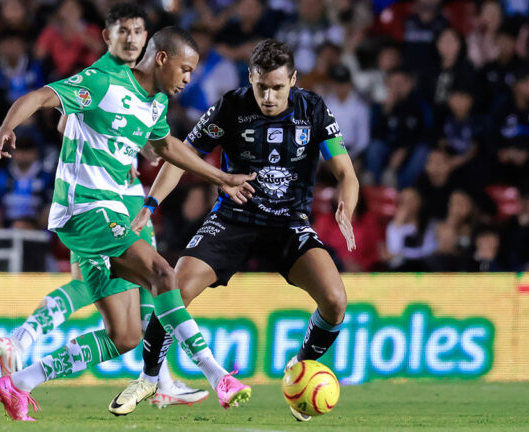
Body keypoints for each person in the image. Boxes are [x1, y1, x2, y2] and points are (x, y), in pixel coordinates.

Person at [0, 26, 256, 422]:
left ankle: (19, 383)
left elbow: (166, 148)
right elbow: (44, 96)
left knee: (126, 335)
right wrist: (8, 125)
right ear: (161, 58)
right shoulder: (104, 81)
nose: (188, 79)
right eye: (185, 69)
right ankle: (217, 376)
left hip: (114, 211)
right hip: (86, 209)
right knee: (163, 274)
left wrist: (220, 177)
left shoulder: (154, 104)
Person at [122, 39, 358, 422]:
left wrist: (348, 200)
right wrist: (151, 202)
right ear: (251, 78)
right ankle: (150, 377)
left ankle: (299, 369)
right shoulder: (231, 106)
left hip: (288, 225)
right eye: (261, 86)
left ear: (293, 81)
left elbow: (346, 172)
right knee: (173, 290)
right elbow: (181, 155)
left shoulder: (313, 109)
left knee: (335, 301)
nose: (268, 96)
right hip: (234, 220)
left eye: (278, 88)